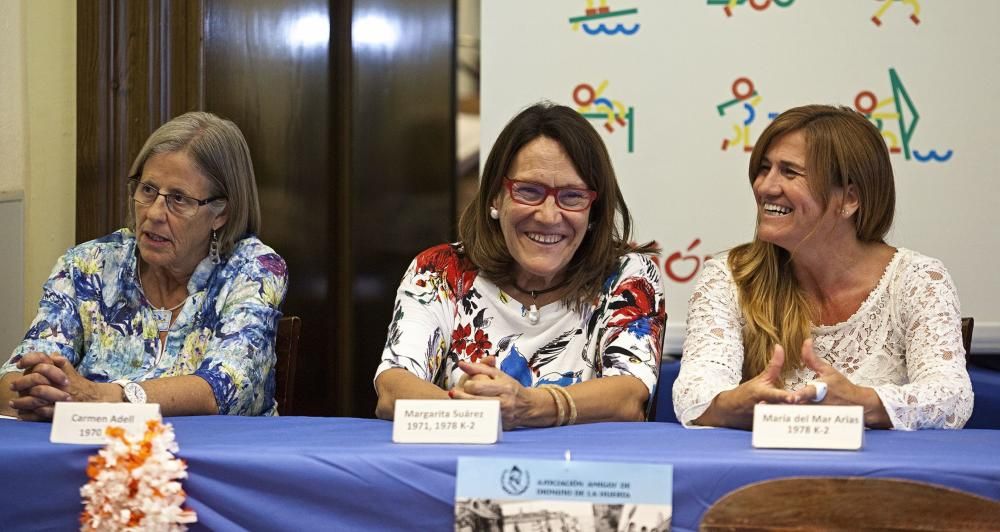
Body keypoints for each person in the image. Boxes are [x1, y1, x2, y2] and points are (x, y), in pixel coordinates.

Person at [673, 104, 972, 430]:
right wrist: (735, 405)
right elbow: (694, 393)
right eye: (764, 168)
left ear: (849, 199)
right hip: (760, 475)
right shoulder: (729, 278)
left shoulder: (916, 280)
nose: (766, 187)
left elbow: (952, 397)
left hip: (878, 477)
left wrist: (862, 401)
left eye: (789, 172)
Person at [374, 102, 665, 429]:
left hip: (581, 478)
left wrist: (529, 405)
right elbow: (392, 387)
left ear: (593, 210)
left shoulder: (627, 276)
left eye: (571, 196)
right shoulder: (440, 271)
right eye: (529, 191)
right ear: (496, 198)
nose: (548, 216)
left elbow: (630, 396)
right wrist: (471, 411)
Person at [0, 111, 288, 420]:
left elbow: (225, 388)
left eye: (178, 199)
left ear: (220, 213)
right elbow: (15, 378)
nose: (153, 214)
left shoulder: (254, 270)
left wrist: (108, 397)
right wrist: (41, 390)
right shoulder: (89, 267)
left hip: (212, 461)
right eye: (148, 190)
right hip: (97, 458)